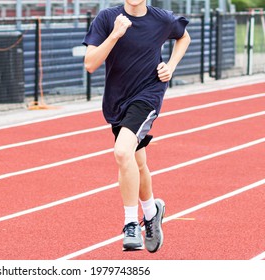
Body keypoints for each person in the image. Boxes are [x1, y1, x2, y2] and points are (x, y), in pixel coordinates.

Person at [83, 0, 191, 252]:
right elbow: (90, 64)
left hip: (147, 94)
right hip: (117, 100)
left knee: (122, 152)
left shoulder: (162, 19)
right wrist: (115, 34)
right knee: (137, 163)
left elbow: (183, 37)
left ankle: (131, 223)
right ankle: (152, 212)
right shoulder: (107, 19)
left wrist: (171, 66)